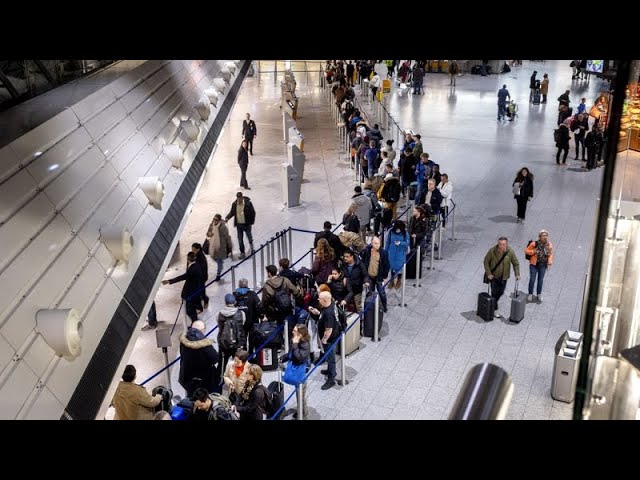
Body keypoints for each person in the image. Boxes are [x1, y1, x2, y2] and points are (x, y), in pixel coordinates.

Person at [179, 320, 220, 397]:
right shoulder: (204, 344)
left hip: (187, 375)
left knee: (191, 395)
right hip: (203, 378)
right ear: (202, 330)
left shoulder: (184, 340)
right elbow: (215, 358)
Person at [308, 291, 339, 390]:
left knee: (331, 359)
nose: (318, 300)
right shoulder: (330, 305)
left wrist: (324, 340)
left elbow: (328, 330)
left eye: (320, 299)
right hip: (332, 336)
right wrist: (318, 313)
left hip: (330, 339)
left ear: (325, 300)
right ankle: (330, 370)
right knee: (329, 356)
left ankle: (331, 378)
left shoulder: (329, 313)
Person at [483, 237, 520, 318]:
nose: (501, 246)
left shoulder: (510, 252)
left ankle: (492, 303)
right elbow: (486, 261)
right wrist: (489, 273)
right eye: (499, 244)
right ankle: (494, 309)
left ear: (506, 244)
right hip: (494, 277)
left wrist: (517, 274)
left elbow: (515, 263)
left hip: (504, 277)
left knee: (501, 292)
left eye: (503, 244)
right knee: (494, 293)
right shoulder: (492, 251)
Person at [279, 324, 311, 418]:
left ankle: (303, 413)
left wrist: (295, 344)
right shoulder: (294, 340)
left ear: (300, 334)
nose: (292, 332)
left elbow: (299, 357)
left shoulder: (305, 344)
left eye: (294, 331)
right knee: (298, 393)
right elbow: (291, 354)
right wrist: (283, 358)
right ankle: (301, 411)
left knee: (301, 394)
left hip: (301, 371)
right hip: (294, 368)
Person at [162, 251, 202, 324]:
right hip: (195, 290)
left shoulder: (192, 269)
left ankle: (195, 322)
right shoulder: (197, 265)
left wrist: (169, 281)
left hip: (191, 292)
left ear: (188, 259)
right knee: (191, 309)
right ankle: (195, 321)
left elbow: (183, 277)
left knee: (189, 310)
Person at [217, 293, 247, 374]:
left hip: (224, 343)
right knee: (240, 362)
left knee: (222, 363)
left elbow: (219, 326)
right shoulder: (241, 313)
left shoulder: (219, 314)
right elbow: (243, 324)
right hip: (238, 342)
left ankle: (220, 379)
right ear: (235, 302)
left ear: (225, 303)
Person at [361, 236, 391, 312]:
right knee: (370, 293)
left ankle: (384, 306)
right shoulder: (367, 251)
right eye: (375, 243)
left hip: (379, 277)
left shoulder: (383, 253)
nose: (377, 245)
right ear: (371, 243)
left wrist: (385, 275)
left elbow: (386, 265)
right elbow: (364, 262)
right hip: (369, 276)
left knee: (381, 293)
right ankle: (371, 308)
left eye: (378, 243)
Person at [234, 278, 262, 354]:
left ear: (239, 285)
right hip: (252, 320)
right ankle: (250, 354)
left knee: (242, 339)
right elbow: (259, 306)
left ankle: (244, 354)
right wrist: (261, 316)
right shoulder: (252, 294)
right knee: (252, 338)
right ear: (247, 285)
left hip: (240, 322)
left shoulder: (235, 295)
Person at [525, 230, 554, 303]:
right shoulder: (534, 244)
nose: (545, 237)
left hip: (543, 265)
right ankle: (530, 294)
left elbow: (550, 254)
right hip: (534, 265)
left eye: (546, 235)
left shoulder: (549, 244)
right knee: (532, 279)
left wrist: (550, 261)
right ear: (539, 237)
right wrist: (533, 251)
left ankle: (539, 294)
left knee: (540, 280)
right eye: (543, 235)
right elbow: (526, 251)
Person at [225, 192, 256, 259]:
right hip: (239, 225)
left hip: (247, 224)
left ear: (242, 197)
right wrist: (227, 218)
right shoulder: (234, 204)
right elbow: (232, 212)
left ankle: (251, 246)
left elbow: (253, 212)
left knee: (249, 236)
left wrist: (251, 222)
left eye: (240, 198)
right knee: (240, 239)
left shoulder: (248, 203)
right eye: (238, 198)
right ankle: (242, 252)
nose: (239, 199)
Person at [207, 213, 233, 280]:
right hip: (213, 245)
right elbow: (208, 233)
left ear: (219, 220)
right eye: (213, 219)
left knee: (219, 260)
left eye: (216, 220)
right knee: (214, 257)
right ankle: (220, 265)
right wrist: (209, 234)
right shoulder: (211, 225)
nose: (214, 221)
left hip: (221, 246)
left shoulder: (223, 227)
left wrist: (230, 245)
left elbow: (227, 237)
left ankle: (218, 273)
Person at [385, 220, 410, 290]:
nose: (397, 230)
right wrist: (385, 252)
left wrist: (400, 243)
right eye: (396, 228)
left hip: (400, 253)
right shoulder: (391, 232)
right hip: (391, 252)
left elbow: (407, 243)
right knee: (392, 267)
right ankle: (392, 280)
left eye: (399, 228)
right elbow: (388, 242)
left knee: (399, 268)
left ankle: (399, 280)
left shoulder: (405, 233)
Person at [192, 242, 208, 311]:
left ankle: (205, 300)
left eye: (194, 250)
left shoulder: (201, 257)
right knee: (199, 290)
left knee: (201, 290)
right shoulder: (196, 256)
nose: (193, 251)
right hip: (198, 278)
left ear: (198, 249)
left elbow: (202, 269)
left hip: (201, 277)